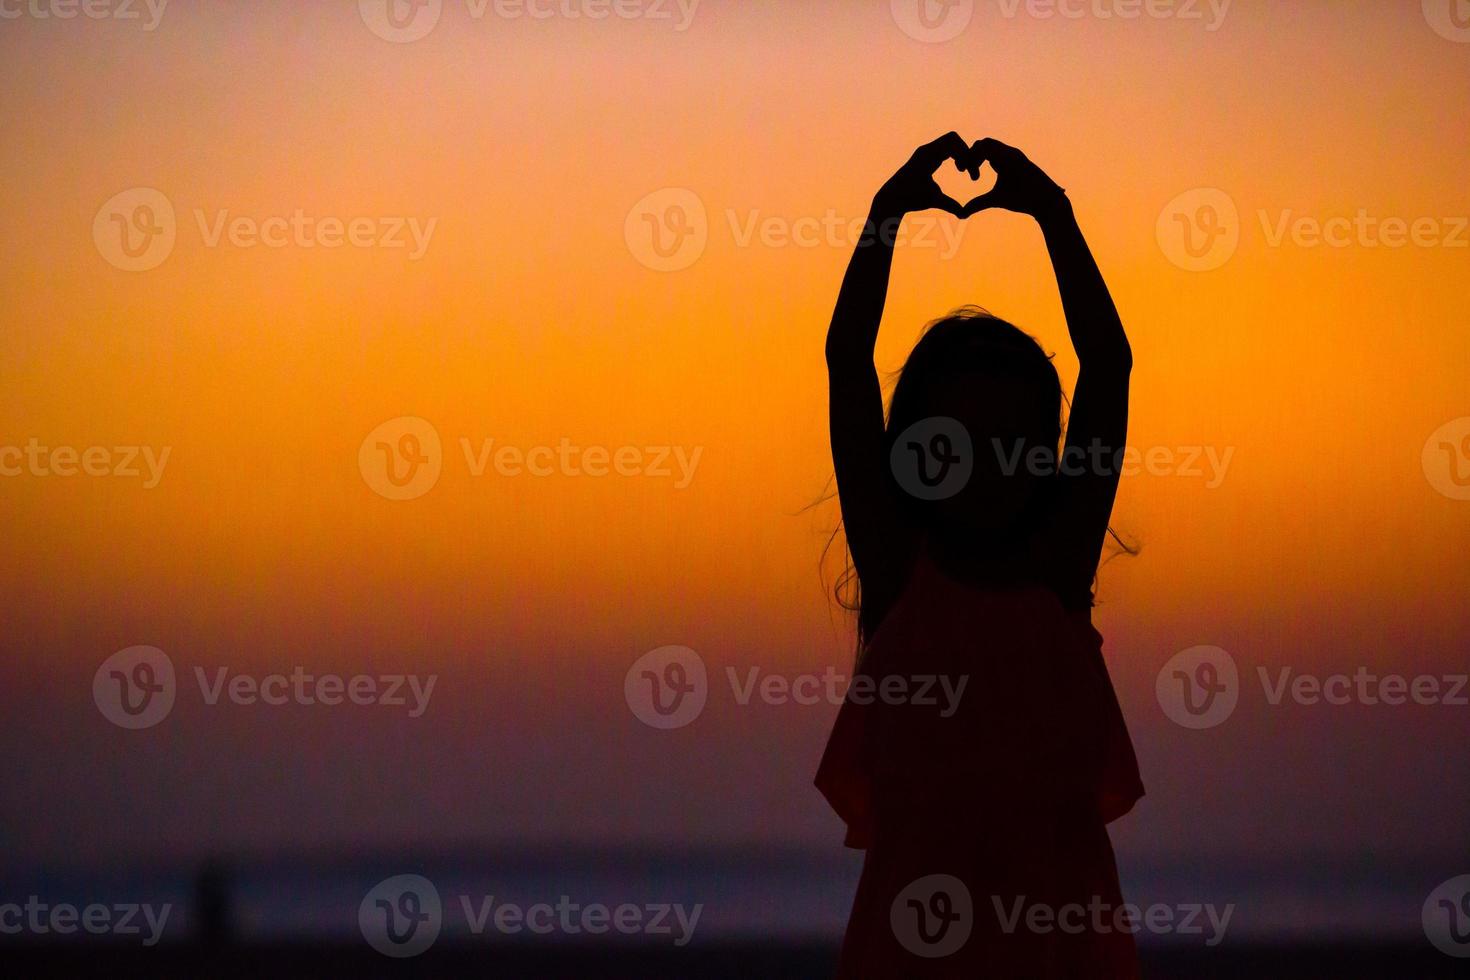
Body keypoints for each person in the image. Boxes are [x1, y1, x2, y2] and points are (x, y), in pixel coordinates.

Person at [816, 133, 1144, 977]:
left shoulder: (1057, 571)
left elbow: (1108, 366)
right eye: (957, 440)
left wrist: (1055, 214)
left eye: (1010, 441)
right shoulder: (900, 575)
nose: (984, 464)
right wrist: (886, 217)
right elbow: (849, 365)